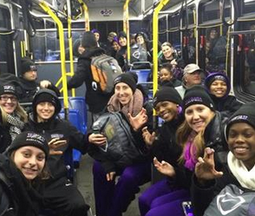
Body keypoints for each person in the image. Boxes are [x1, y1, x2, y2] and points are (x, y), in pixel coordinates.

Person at [149, 85, 228, 216]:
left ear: (211, 109)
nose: (195, 116)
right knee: (151, 203)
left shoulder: (223, 134)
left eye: (200, 109)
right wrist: (174, 173)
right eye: (189, 112)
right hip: (197, 191)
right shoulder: (190, 138)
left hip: (216, 199)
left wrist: (201, 182)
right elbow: (189, 177)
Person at [88, 72, 153, 216]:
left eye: (125, 88)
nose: (121, 93)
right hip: (119, 156)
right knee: (100, 168)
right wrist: (107, 163)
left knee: (129, 176)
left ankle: (112, 212)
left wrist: (137, 130)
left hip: (141, 160)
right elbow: (98, 132)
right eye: (118, 88)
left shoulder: (146, 109)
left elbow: (150, 149)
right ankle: (102, 212)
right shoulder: (111, 107)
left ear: (133, 90)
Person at [24, 88, 90, 216]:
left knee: (78, 206)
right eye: (42, 104)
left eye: (50, 105)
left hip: (56, 181)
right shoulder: (25, 128)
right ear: (35, 106)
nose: (46, 108)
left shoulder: (64, 127)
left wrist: (91, 137)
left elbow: (83, 144)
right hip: (31, 183)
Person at [191, 102, 255, 216]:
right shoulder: (224, 168)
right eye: (233, 134)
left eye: (247, 134)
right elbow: (202, 211)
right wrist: (203, 183)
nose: (239, 140)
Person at [0, 131, 50, 216]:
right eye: (26, 154)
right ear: (12, 155)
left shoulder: (34, 187)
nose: (33, 162)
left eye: (40, 157)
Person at [139, 85, 187, 216]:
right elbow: (161, 159)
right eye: (157, 108)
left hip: (189, 182)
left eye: (165, 104)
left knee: (155, 207)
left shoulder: (189, 123)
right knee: (144, 200)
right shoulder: (164, 129)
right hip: (176, 178)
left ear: (177, 103)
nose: (161, 110)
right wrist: (151, 145)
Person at [67, 31, 110, 120]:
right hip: (110, 97)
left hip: (97, 100)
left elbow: (77, 80)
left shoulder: (85, 59)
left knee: (99, 127)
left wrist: (67, 85)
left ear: (83, 44)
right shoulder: (103, 55)